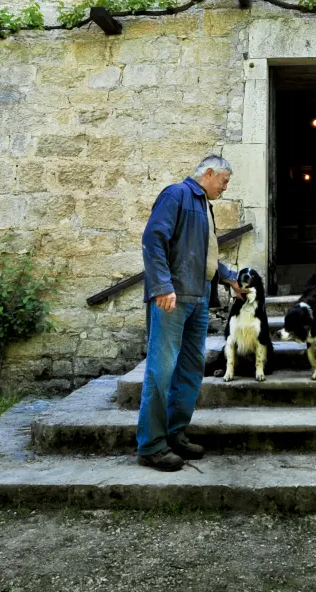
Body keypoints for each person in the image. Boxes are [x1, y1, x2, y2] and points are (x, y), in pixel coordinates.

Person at [136, 155, 245, 471]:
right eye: (224, 181)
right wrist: (162, 286)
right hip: (172, 298)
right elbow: (153, 238)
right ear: (209, 173)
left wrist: (229, 277)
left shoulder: (203, 206)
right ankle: (151, 446)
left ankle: (175, 433)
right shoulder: (176, 195)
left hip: (197, 298)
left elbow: (203, 256)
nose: (225, 188)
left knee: (191, 368)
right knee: (161, 370)